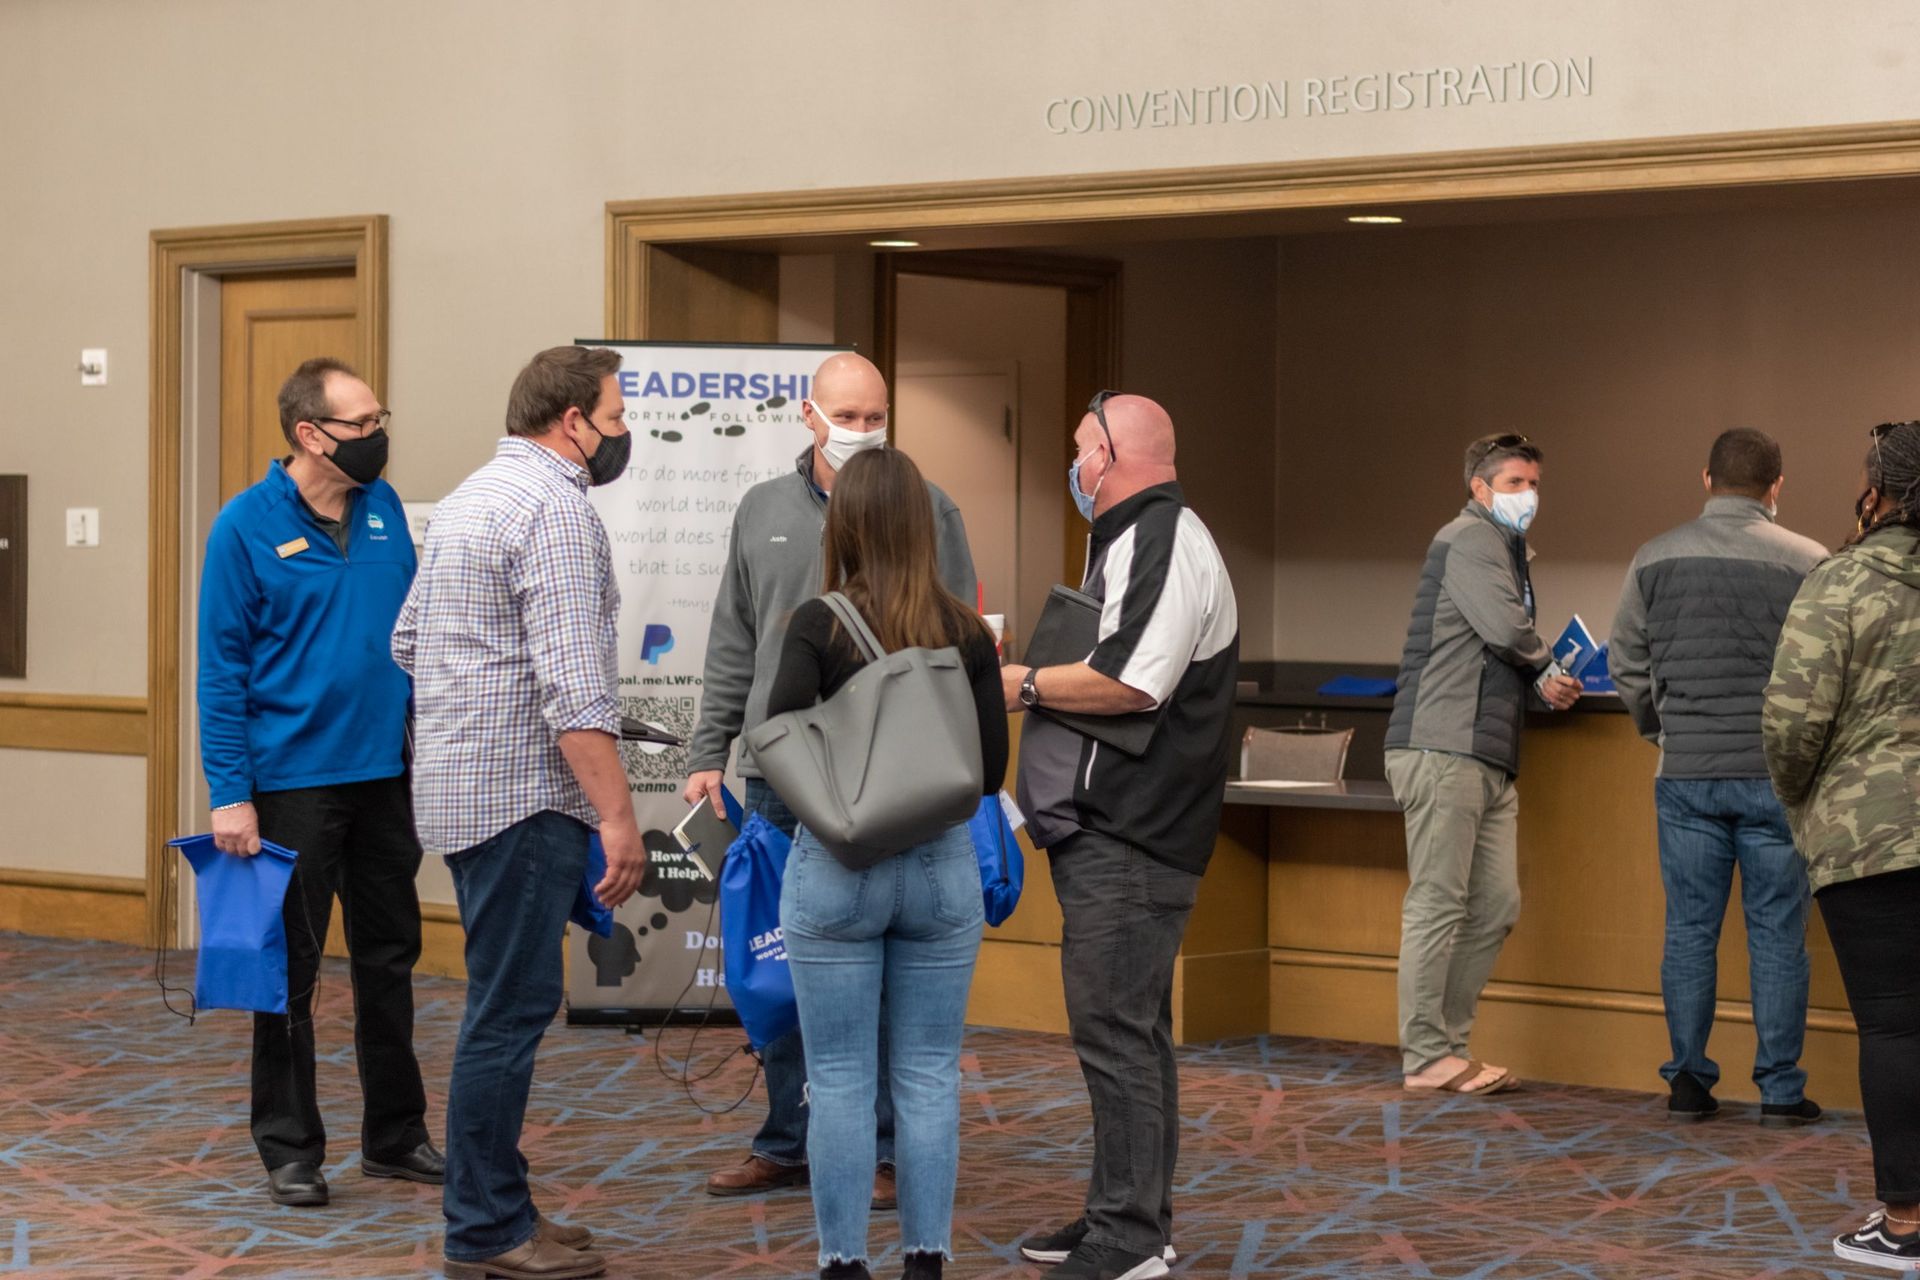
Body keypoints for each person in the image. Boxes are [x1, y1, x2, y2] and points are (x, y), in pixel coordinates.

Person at [682, 352, 976, 1207]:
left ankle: (882, 1150)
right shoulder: (762, 509)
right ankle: (789, 1139)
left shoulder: (930, 510)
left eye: (875, 416)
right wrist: (707, 753)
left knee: (879, 969)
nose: (862, 431)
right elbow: (733, 641)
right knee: (780, 962)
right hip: (781, 777)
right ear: (808, 416)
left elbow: (960, 648)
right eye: (846, 417)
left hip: (893, 781)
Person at [394, 345, 647, 1280]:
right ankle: (488, 1229)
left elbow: (408, 641)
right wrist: (617, 818)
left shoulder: (471, 497)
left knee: (500, 1006)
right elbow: (575, 691)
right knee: (507, 1015)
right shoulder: (556, 510)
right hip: (526, 801)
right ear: (571, 421)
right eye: (615, 417)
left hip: (463, 797)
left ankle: (503, 1204)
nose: (623, 433)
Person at [196, 356, 440, 1208]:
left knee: (389, 962)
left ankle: (396, 1136)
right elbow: (221, 672)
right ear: (310, 434)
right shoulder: (244, 526)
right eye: (362, 424)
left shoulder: (384, 510)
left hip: (385, 777)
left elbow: (412, 636)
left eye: (379, 419)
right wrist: (231, 794)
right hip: (290, 787)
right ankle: (290, 1147)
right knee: (289, 972)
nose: (378, 435)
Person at [1006, 392, 1239, 1280]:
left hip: (1133, 836)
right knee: (1128, 1032)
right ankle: (1130, 1215)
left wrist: (1025, 683)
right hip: (1118, 833)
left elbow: (1134, 683)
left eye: (1080, 448)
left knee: (1115, 1033)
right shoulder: (1134, 536)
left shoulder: (1161, 535)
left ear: (1109, 454)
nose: (1073, 464)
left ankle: (1130, 1237)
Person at [769, 447, 1008, 1280]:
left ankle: (843, 1264)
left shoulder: (818, 623)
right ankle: (926, 1262)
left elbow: (778, 743)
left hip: (839, 866)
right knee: (930, 1076)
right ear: (921, 526)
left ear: (844, 525)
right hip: (941, 870)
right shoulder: (967, 632)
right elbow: (990, 772)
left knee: (837, 1078)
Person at [1610, 428, 1826, 1125]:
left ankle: (1688, 1081)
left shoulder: (1654, 557)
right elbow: (1824, 675)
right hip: (1774, 779)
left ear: (1707, 479)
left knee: (1689, 931)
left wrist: (1662, 729)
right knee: (1778, 935)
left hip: (1687, 777)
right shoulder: (1810, 562)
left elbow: (1625, 663)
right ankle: (1781, 1091)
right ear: (1776, 486)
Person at [1764, 419, 1920, 1273]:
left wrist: (1803, 801)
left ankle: (1907, 1225)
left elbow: (1792, 724)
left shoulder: (1843, 580)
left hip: (1873, 839)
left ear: (1880, 491)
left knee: (1896, 1027)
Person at [1382, 433, 1581, 1099]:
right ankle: (1425, 1055)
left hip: (1487, 750)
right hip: (1443, 745)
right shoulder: (1469, 538)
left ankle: (1447, 1046)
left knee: (1495, 904)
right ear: (1480, 488)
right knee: (1438, 901)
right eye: (1515, 483)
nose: (1529, 495)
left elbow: (1494, 650)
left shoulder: (1504, 549)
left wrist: (1541, 681)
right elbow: (1503, 629)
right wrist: (1546, 665)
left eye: (1534, 483)